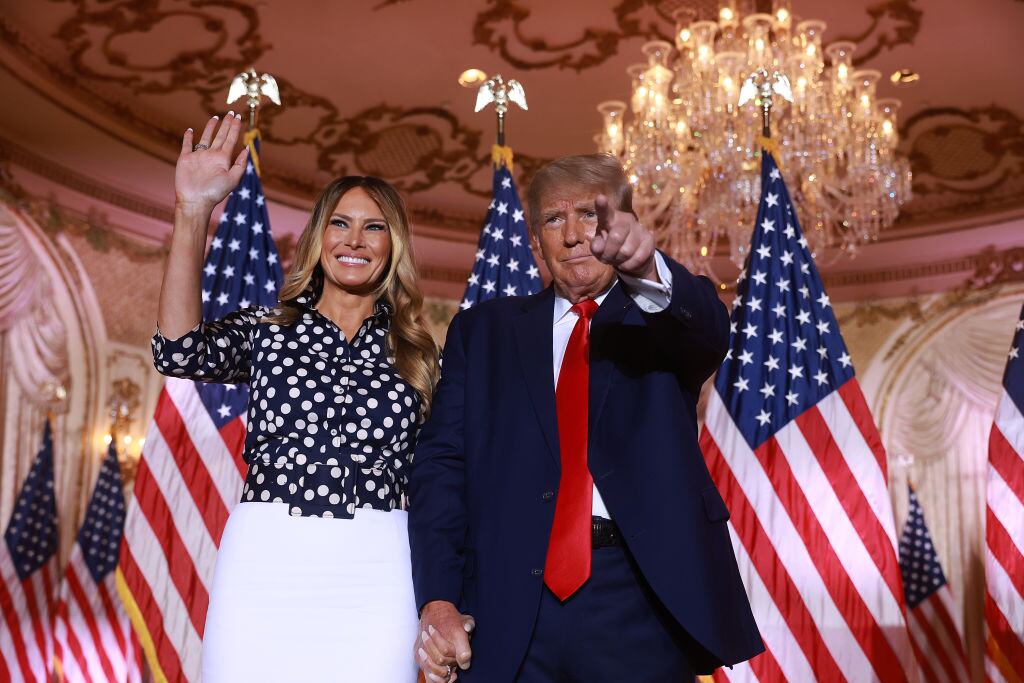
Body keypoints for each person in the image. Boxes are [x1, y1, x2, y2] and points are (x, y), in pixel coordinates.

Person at [409, 153, 763, 682]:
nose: (574, 234)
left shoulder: (661, 317)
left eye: (589, 215)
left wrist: (647, 270)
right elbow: (441, 470)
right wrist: (438, 599)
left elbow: (710, 330)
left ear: (625, 227)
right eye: (554, 219)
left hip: (639, 598)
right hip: (506, 600)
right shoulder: (481, 333)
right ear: (535, 242)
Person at [153, 112, 438, 681]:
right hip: (266, 558)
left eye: (374, 227)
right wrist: (193, 212)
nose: (355, 240)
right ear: (318, 237)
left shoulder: (422, 356)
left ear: (394, 245)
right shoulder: (269, 330)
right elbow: (178, 352)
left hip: (377, 567)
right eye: (340, 223)